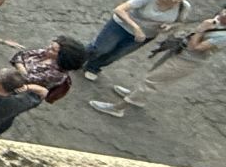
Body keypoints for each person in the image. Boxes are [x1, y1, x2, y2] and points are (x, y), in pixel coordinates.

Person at [89, 7, 225, 117]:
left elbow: (194, 47)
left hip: (187, 61)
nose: (223, 14)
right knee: (153, 73)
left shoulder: (222, 37)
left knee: (151, 82)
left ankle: (118, 108)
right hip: (178, 52)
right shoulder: (217, 21)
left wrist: (201, 30)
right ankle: (135, 95)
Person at [81, 0, 192, 80]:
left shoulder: (184, 6)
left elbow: (180, 22)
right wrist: (136, 28)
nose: (174, 0)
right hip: (120, 26)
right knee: (100, 48)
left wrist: (170, 26)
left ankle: (93, 67)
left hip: (145, 35)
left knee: (115, 54)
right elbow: (119, 10)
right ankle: (79, 58)